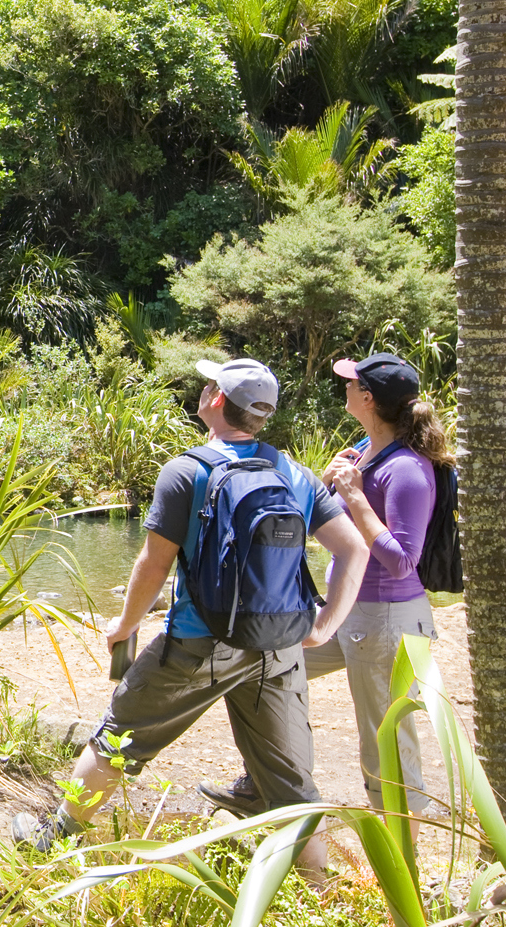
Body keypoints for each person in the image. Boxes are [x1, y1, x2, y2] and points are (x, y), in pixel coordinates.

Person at [24, 357, 369, 854]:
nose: (205, 390)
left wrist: (125, 625)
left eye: (210, 385)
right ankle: (321, 891)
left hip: (197, 642)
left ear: (217, 401)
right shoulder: (294, 472)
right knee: (292, 787)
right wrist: (322, 627)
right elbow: (353, 548)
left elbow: (153, 565)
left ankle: (50, 843)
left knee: (116, 740)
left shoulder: (187, 472)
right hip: (278, 648)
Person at [201, 351, 446, 821]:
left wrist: (353, 496)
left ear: (368, 398)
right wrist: (332, 486)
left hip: (388, 624)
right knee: (264, 668)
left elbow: (402, 561)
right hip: (345, 613)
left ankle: (404, 869)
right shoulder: (367, 448)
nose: (346, 387)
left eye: (353, 383)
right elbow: (331, 526)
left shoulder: (409, 471)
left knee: (386, 745)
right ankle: (265, 782)